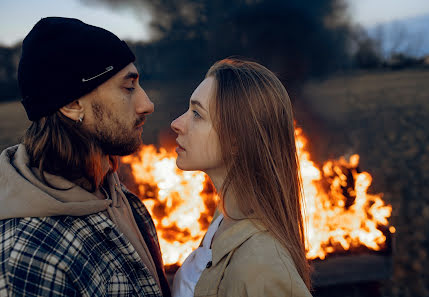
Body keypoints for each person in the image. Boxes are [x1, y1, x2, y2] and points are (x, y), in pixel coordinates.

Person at [0, 17, 170, 297]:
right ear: (72, 104)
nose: (147, 104)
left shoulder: (114, 193)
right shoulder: (28, 260)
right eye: (128, 88)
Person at [170, 58, 312, 297]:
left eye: (197, 114)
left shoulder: (262, 266)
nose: (176, 123)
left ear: (236, 140)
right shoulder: (224, 217)